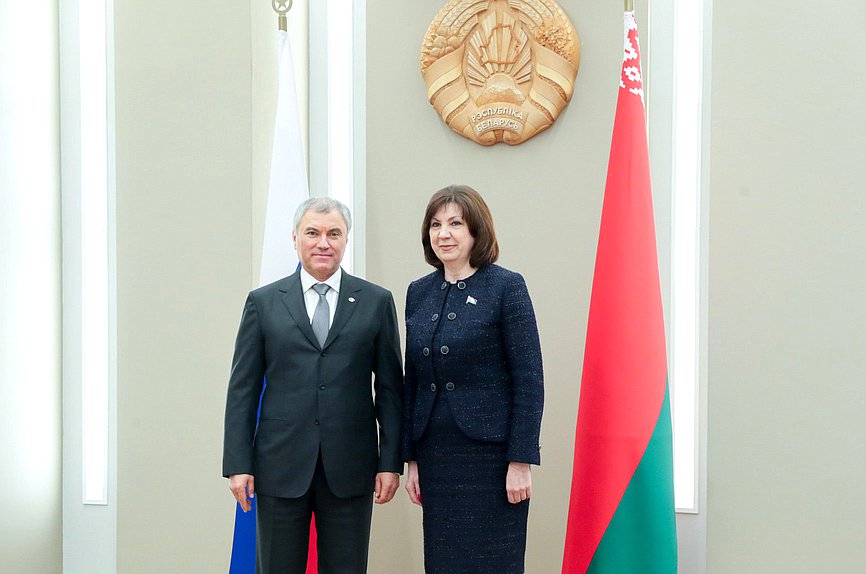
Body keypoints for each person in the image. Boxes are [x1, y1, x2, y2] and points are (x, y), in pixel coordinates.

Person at [223, 197, 403, 574]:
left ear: (345, 240)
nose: (324, 242)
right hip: (280, 468)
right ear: (294, 239)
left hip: (351, 469)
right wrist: (238, 463)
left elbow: (389, 390)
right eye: (313, 233)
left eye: (334, 233)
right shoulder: (264, 302)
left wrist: (390, 462)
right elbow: (243, 389)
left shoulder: (375, 301)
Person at [402, 185, 544, 573]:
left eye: (455, 223)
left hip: (492, 460)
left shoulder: (506, 286)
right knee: (444, 562)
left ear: (476, 231)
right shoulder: (419, 292)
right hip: (436, 456)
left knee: (493, 562)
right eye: (435, 224)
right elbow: (411, 381)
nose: (443, 233)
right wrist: (410, 457)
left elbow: (529, 379)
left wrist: (521, 459)